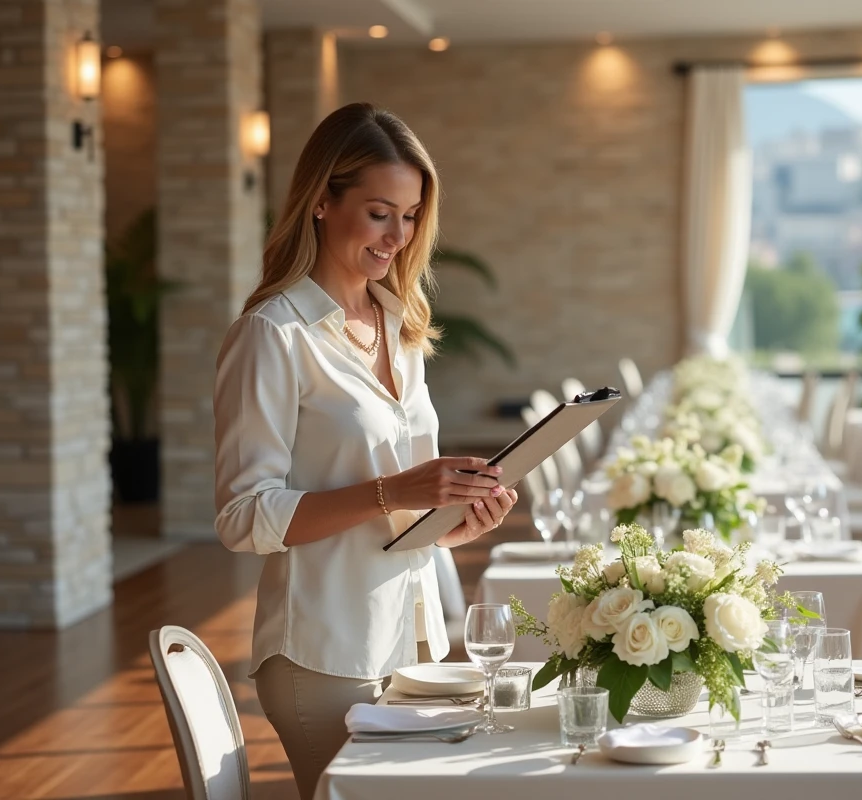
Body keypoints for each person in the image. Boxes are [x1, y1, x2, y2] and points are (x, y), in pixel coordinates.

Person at [213, 102, 517, 799]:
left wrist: (456, 517)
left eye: (410, 216)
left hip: (413, 644)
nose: (397, 235)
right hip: (325, 654)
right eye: (380, 212)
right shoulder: (272, 335)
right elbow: (242, 517)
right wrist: (397, 491)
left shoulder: (399, 324)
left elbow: (406, 506)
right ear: (322, 200)